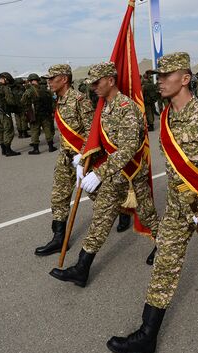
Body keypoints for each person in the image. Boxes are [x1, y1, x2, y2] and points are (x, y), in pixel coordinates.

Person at [107, 52, 198, 353]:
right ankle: (146, 337)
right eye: (158, 76)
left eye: (166, 76)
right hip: (175, 208)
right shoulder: (167, 116)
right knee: (164, 266)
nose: (160, 82)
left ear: (185, 79)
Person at [49, 61, 159, 285]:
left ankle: (165, 246)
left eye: (97, 83)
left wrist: (99, 173)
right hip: (114, 174)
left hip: (130, 173)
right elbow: (96, 137)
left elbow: (128, 148)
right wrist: (84, 158)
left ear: (110, 80)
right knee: (102, 217)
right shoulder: (104, 106)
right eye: (91, 83)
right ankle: (82, 268)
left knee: (146, 215)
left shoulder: (126, 108)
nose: (93, 87)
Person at [34, 64, 94, 256]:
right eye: (48, 79)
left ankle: (125, 212)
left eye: (52, 78)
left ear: (64, 79)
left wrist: (82, 155)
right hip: (65, 158)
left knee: (99, 195)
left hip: (83, 157)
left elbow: (93, 132)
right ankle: (59, 239)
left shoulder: (80, 100)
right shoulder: (59, 100)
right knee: (59, 197)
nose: (48, 82)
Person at [21, 73, 56, 154]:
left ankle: (36, 149)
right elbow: (52, 100)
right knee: (47, 130)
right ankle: (51, 147)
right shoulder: (45, 90)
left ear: (30, 81)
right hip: (46, 114)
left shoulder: (29, 91)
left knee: (35, 131)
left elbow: (23, 101)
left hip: (35, 115)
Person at [0, 72, 20, 156]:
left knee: (0, 131)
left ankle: (3, 149)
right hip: (4, 112)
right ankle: (8, 150)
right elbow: (11, 101)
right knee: (8, 130)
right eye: (8, 81)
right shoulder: (4, 88)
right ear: (5, 79)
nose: (8, 82)